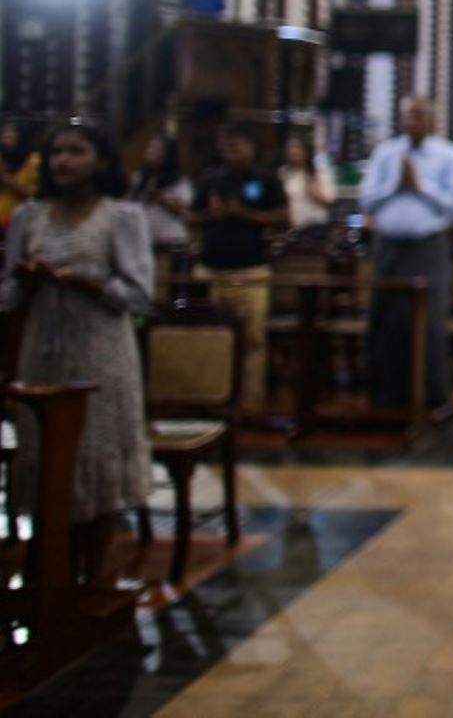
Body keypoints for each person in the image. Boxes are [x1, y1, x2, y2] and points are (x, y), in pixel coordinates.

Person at [0, 122, 154, 584]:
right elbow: (7, 294)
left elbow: (140, 296)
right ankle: (49, 566)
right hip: (44, 350)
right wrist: (26, 282)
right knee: (44, 454)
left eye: (75, 151)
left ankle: (92, 571)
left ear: (101, 160)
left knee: (96, 453)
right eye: (55, 153)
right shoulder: (31, 215)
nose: (62, 161)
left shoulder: (121, 217)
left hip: (101, 349)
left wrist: (84, 282)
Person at [358, 98, 453, 410]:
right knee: (386, 319)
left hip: (427, 247)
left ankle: (432, 394)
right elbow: (366, 200)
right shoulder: (386, 153)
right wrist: (396, 185)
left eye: (419, 116)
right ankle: (385, 394)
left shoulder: (448, 155)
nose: (413, 122)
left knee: (428, 319)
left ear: (432, 120)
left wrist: (421, 187)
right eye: (408, 116)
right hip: (388, 246)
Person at [192, 127, 289, 412]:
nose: (231, 151)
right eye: (226, 146)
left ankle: (250, 402)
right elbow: (192, 216)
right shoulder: (210, 179)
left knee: (252, 339)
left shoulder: (265, 179)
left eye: (237, 145)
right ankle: (210, 399)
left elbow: (283, 218)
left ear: (251, 147)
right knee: (208, 337)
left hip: (251, 270)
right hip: (211, 268)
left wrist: (242, 214)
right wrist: (209, 215)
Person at [126, 133, 193, 248]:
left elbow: (185, 209)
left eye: (159, 149)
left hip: (171, 241)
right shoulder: (138, 178)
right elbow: (128, 204)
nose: (153, 152)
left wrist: (161, 199)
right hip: (143, 242)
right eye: (151, 148)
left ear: (168, 154)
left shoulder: (179, 181)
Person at [280, 136, 338, 236]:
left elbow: (330, 199)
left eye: (297, 147)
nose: (293, 151)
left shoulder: (320, 173)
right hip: (293, 228)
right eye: (291, 147)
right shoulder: (285, 172)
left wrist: (310, 183)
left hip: (315, 227)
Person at [0, 120, 41, 231]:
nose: (5, 136)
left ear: (21, 135)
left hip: (20, 223)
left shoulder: (33, 161)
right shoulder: (2, 158)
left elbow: (37, 195)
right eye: (3, 133)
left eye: (10, 133)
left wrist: (11, 182)